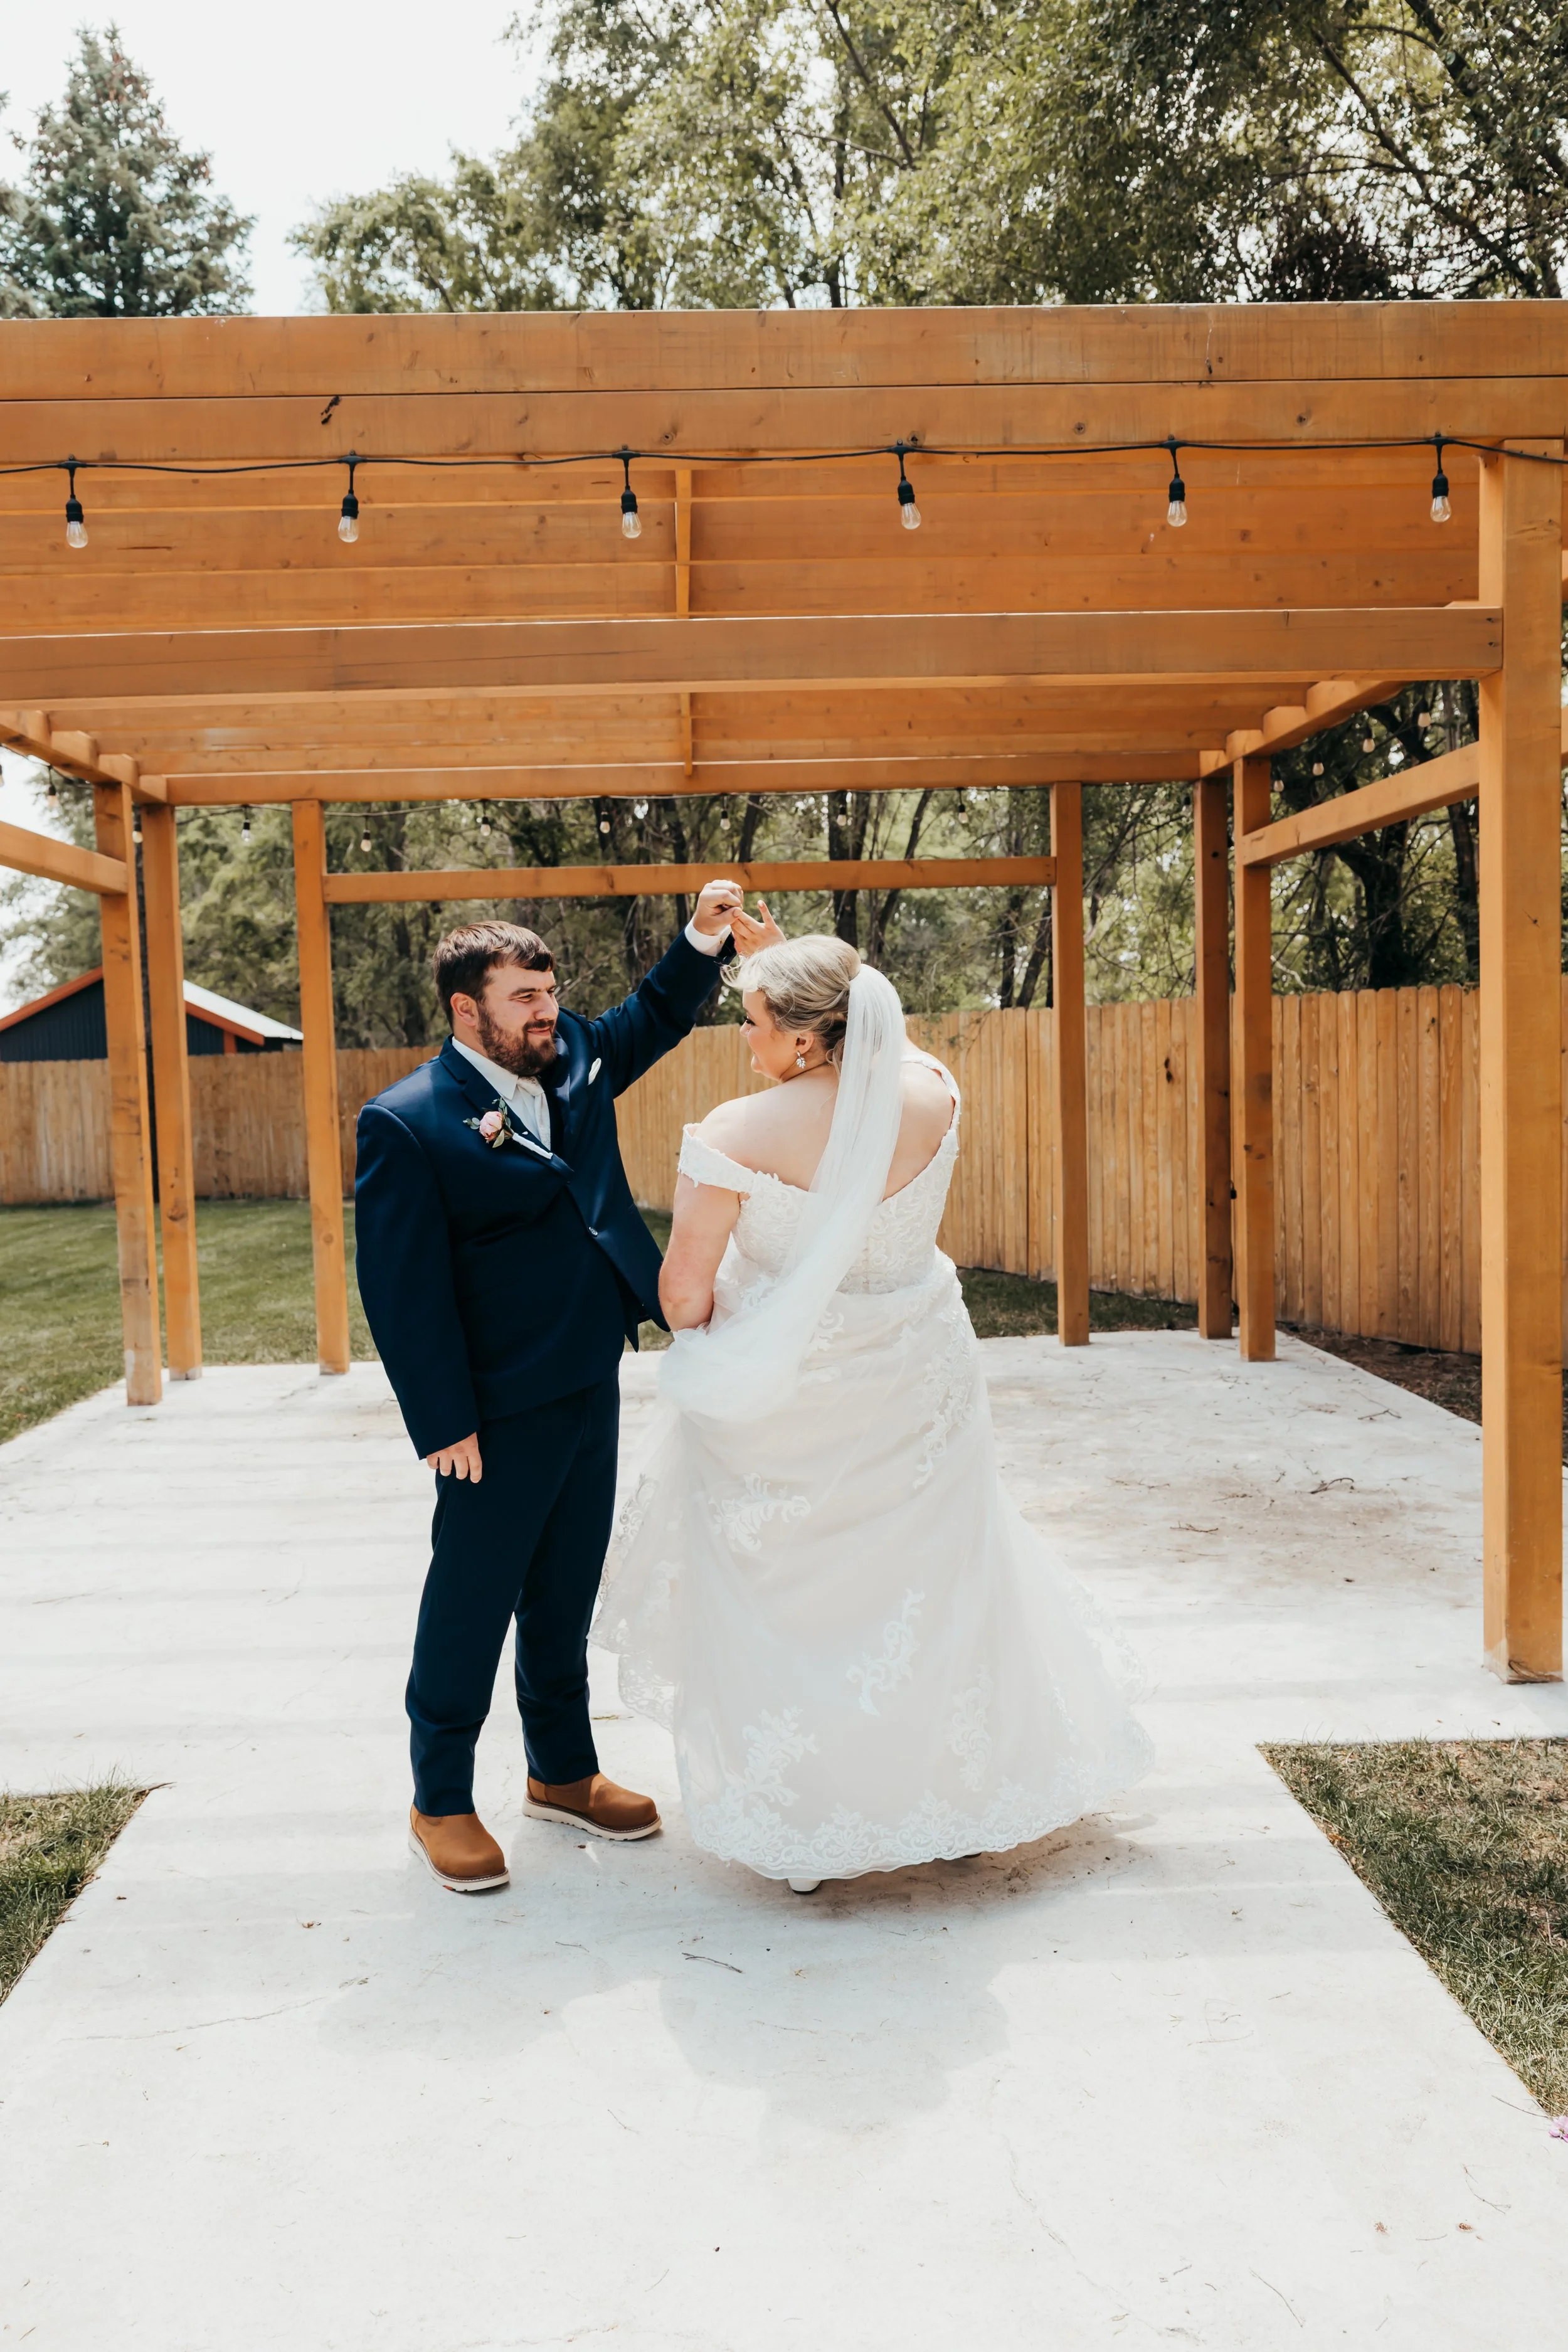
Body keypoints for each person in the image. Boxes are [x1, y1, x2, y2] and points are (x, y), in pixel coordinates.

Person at [595, 936, 1152, 1895]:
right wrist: (795, 966)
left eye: (756, 1019)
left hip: (787, 1411)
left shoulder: (731, 1134)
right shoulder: (935, 1089)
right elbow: (884, 1044)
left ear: (810, 1040)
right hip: (920, 1380)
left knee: (796, 1604)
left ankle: (808, 1821)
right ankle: (961, 1801)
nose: (742, 1034)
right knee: (934, 1586)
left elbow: (682, 1299)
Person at [354, 882, 782, 1894]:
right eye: (523, 1000)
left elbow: (653, 1014)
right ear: (467, 1010)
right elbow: (400, 1290)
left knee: (564, 1591)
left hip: (592, 1371)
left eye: (549, 994)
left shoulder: (577, 1056)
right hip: (493, 1407)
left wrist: (703, 940)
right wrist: (443, 1419)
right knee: (471, 1598)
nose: (547, 1014)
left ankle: (562, 1769)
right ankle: (441, 1796)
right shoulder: (407, 1123)